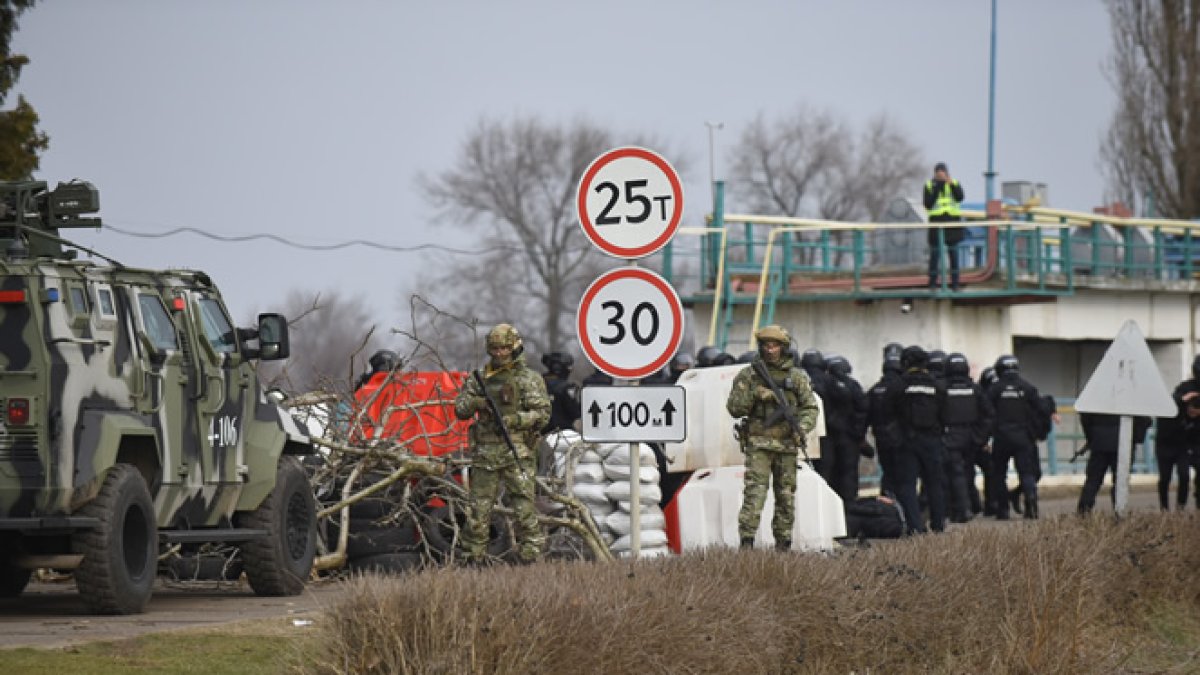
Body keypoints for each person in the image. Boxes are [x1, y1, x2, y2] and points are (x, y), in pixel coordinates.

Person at [454, 324, 551, 564]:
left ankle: (531, 559)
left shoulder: (528, 379)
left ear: (514, 347)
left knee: (524, 510)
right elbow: (459, 409)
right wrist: (476, 403)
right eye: (495, 348)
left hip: (516, 451)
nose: (499, 353)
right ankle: (472, 560)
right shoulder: (480, 378)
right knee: (478, 511)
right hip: (486, 453)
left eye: (505, 348)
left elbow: (542, 414)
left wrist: (516, 419)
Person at [726, 325, 819, 551]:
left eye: (775, 345)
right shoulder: (749, 375)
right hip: (759, 443)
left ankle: (783, 544)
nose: (770, 350)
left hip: (787, 444)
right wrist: (755, 394)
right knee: (755, 494)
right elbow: (734, 408)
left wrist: (802, 429)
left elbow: (810, 408)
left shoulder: (796, 377)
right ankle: (747, 542)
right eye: (766, 345)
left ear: (784, 348)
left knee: (786, 497)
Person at [888, 346, 948, 534]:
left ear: (905, 363)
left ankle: (915, 526)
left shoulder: (899, 385)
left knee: (907, 485)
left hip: (908, 441)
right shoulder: (937, 386)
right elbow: (945, 415)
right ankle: (938, 525)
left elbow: (887, 413)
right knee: (935, 484)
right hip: (932, 441)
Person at [987, 355, 1043, 520]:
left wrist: (987, 436)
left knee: (999, 474)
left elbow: (986, 412)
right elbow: (1041, 409)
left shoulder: (994, 389)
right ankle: (1031, 503)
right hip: (1023, 437)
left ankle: (1003, 510)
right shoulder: (1027, 388)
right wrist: (1037, 433)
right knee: (1026, 473)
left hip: (1001, 438)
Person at [941, 353, 994, 523]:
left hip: (950, 437)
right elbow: (988, 415)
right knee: (968, 472)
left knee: (955, 473)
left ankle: (962, 510)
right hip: (970, 438)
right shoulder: (975, 389)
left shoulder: (942, 388)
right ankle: (970, 507)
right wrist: (979, 437)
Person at [1076, 412, 1151, 514]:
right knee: (1120, 482)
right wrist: (1135, 437)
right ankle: (1119, 513)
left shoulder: (1097, 398)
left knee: (1093, 481)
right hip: (1124, 444)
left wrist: (1092, 437)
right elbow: (1144, 419)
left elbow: (1085, 417)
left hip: (1099, 443)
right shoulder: (1131, 398)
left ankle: (1083, 513)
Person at [1154, 355, 1200, 510]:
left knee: (1185, 476)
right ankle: (1164, 508)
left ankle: (1181, 508)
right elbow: (1172, 401)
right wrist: (1184, 400)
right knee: (1165, 478)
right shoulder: (1185, 389)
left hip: (1187, 443)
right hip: (1168, 442)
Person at [824, 355, 869, 505]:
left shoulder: (823, 385)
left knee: (830, 474)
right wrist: (858, 434)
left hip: (829, 438)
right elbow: (863, 409)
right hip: (849, 439)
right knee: (848, 474)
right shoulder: (853, 385)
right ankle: (850, 509)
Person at [867, 346, 905, 497]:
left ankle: (887, 503)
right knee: (902, 475)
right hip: (900, 439)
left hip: (881, 437)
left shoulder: (875, 389)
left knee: (888, 473)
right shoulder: (902, 387)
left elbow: (865, 414)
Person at [923, 162, 965, 290]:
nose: (940, 175)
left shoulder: (955, 183)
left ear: (947, 173)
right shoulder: (930, 185)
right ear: (935, 174)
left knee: (954, 255)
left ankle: (955, 283)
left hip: (952, 223)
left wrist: (950, 184)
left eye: (943, 173)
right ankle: (932, 282)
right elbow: (928, 204)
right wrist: (937, 187)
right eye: (938, 173)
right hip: (936, 223)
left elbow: (960, 197)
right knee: (935, 255)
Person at [540, 351, 581, 434]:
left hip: (540, 434)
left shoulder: (537, 383)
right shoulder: (567, 388)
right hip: (563, 434)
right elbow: (575, 413)